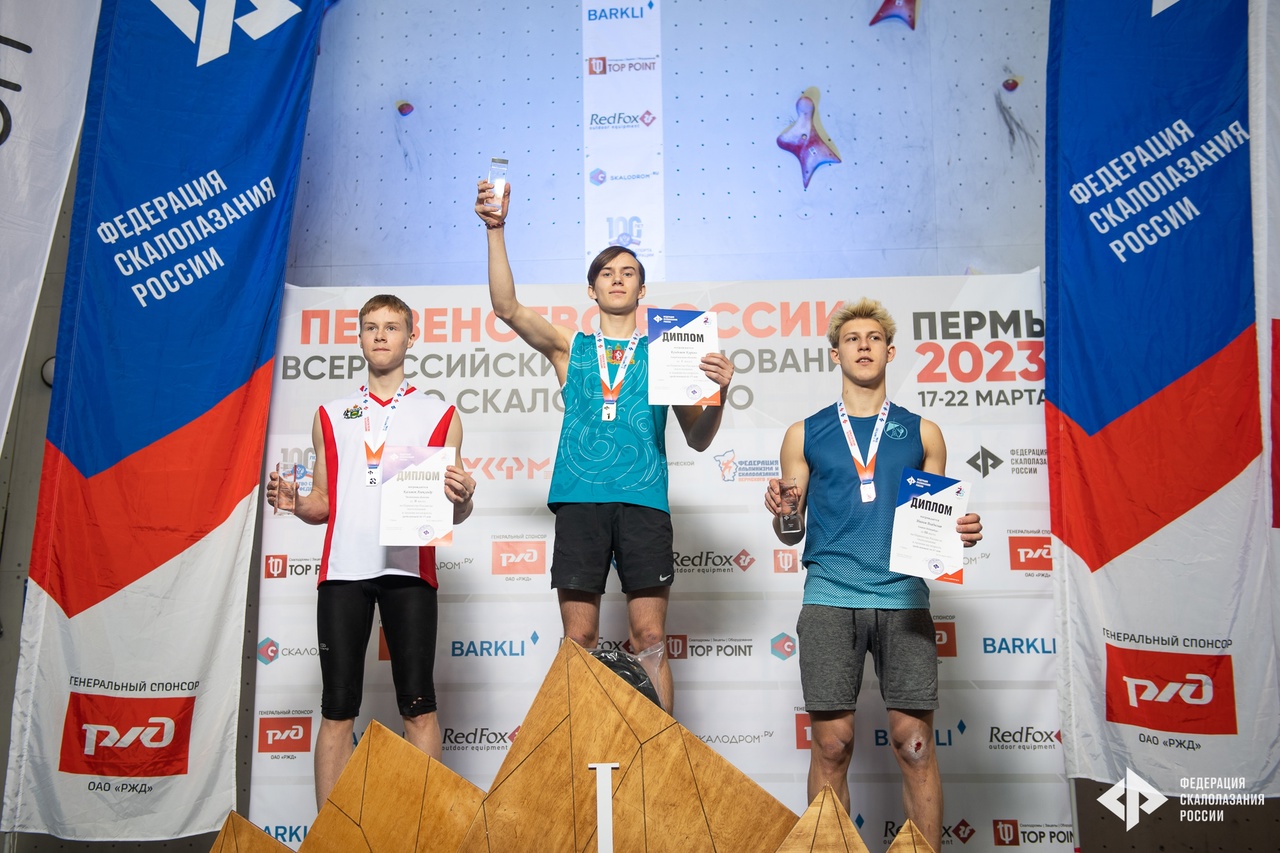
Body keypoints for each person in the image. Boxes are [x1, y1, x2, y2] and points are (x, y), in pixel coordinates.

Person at [475, 178, 732, 713]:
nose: (617, 278)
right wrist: (496, 230)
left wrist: (719, 392)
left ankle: (662, 752)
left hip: (644, 501)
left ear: (642, 290)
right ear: (591, 290)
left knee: (650, 638)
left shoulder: (670, 351)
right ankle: (579, 749)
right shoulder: (569, 347)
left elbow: (699, 438)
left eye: (628, 272)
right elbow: (507, 307)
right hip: (580, 499)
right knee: (579, 640)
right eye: (606, 273)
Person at [764, 297, 982, 852]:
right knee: (831, 746)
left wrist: (959, 532)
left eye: (874, 338)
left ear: (890, 351)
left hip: (904, 598)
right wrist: (784, 511)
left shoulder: (924, 432)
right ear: (835, 354)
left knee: (914, 745)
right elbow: (790, 532)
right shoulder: (803, 433)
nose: (863, 346)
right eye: (851, 339)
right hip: (829, 596)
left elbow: (936, 527)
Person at [266, 294, 476, 809]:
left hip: (410, 570)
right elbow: (322, 503)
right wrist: (296, 502)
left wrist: (464, 498)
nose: (381, 335)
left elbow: (450, 511)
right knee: (337, 709)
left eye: (392, 327)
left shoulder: (441, 414)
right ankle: (331, 836)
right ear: (359, 337)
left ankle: (423, 831)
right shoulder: (330, 414)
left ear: (411, 337)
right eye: (371, 327)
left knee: (418, 706)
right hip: (343, 572)